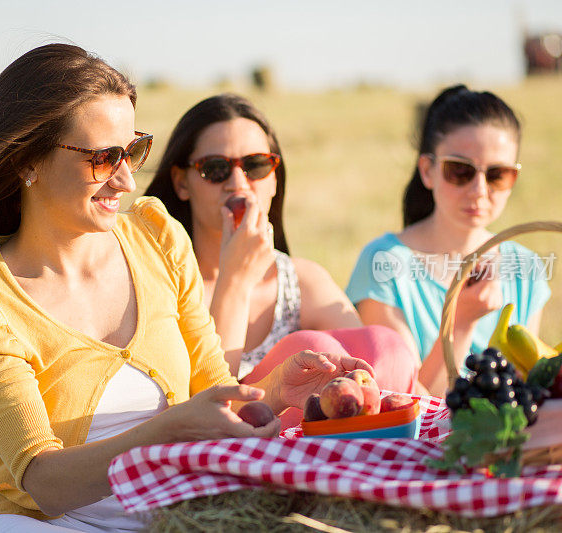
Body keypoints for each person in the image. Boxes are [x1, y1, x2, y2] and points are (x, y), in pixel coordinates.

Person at [0, 45, 374, 532]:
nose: (126, 181)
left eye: (134, 150)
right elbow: (45, 485)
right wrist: (168, 431)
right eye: (103, 158)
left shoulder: (157, 234)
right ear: (26, 161)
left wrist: (277, 390)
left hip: (170, 519)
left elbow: (210, 391)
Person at [144, 94, 419, 426]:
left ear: (274, 178)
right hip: (231, 455)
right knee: (307, 347)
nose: (238, 183)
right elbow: (209, 408)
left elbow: (383, 372)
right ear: (181, 182)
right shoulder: (160, 283)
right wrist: (236, 279)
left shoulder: (300, 280)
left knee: (384, 345)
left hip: (331, 450)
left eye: (256, 165)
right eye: (215, 169)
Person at [346, 84, 551, 396]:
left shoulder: (526, 268)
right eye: (460, 171)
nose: (479, 190)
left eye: (497, 174)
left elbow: (526, 388)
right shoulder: (383, 263)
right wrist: (460, 323)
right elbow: (406, 405)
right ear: (427, 171)